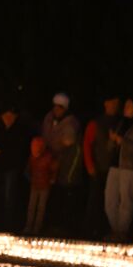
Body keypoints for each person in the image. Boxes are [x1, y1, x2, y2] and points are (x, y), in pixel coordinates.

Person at [104, 97, 133, 239]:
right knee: (109, 199)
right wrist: (112, 141)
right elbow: (110, 146)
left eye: (129, 105)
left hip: (130, 167)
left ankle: (121, 231)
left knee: (126, 200)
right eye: (126, 104)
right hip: (115, 166)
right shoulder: (120, 123)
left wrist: (123, 142)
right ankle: (115, 229)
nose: (125, 107)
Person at [41, 92, 83, 235]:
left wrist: (58, 158)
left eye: (60, 107)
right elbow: (46, 136)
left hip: (66, 162)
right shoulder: (48, 119)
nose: (57, 110)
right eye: (55, 106)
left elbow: (68, 141)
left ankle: (63, 226)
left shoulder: (71, 123)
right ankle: (48, 224)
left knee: (64, 192)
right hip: (49, 159)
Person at [83, 94, 122, 238]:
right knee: (95, 199)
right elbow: (87, 144)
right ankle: (90, 229)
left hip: (115, 168)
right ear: (106, 103)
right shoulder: (96, 123)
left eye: (117, 103)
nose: (114, 106)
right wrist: (89, 165)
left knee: (111, 201)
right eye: (112, 102)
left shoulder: (120, 122)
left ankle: (105, 229)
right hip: (99, 167)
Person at [0, 107, 30, 231]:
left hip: (11, 168)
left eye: (10, 116)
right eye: (5, 116)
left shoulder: (19, 131)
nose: (7, 119)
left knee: (9, 196)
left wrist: (1, 152)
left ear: (14, 117)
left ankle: (8, 225)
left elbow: (18, 151)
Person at [25, 136, 57, 235]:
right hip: (34, 184)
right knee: (32, 206)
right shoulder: (32, 157)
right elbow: (28, 169)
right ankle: (29, 226)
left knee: (41, 207)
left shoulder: (48, 158)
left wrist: (52, 178)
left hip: (44, 185)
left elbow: (54, 168)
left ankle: (37, 227)